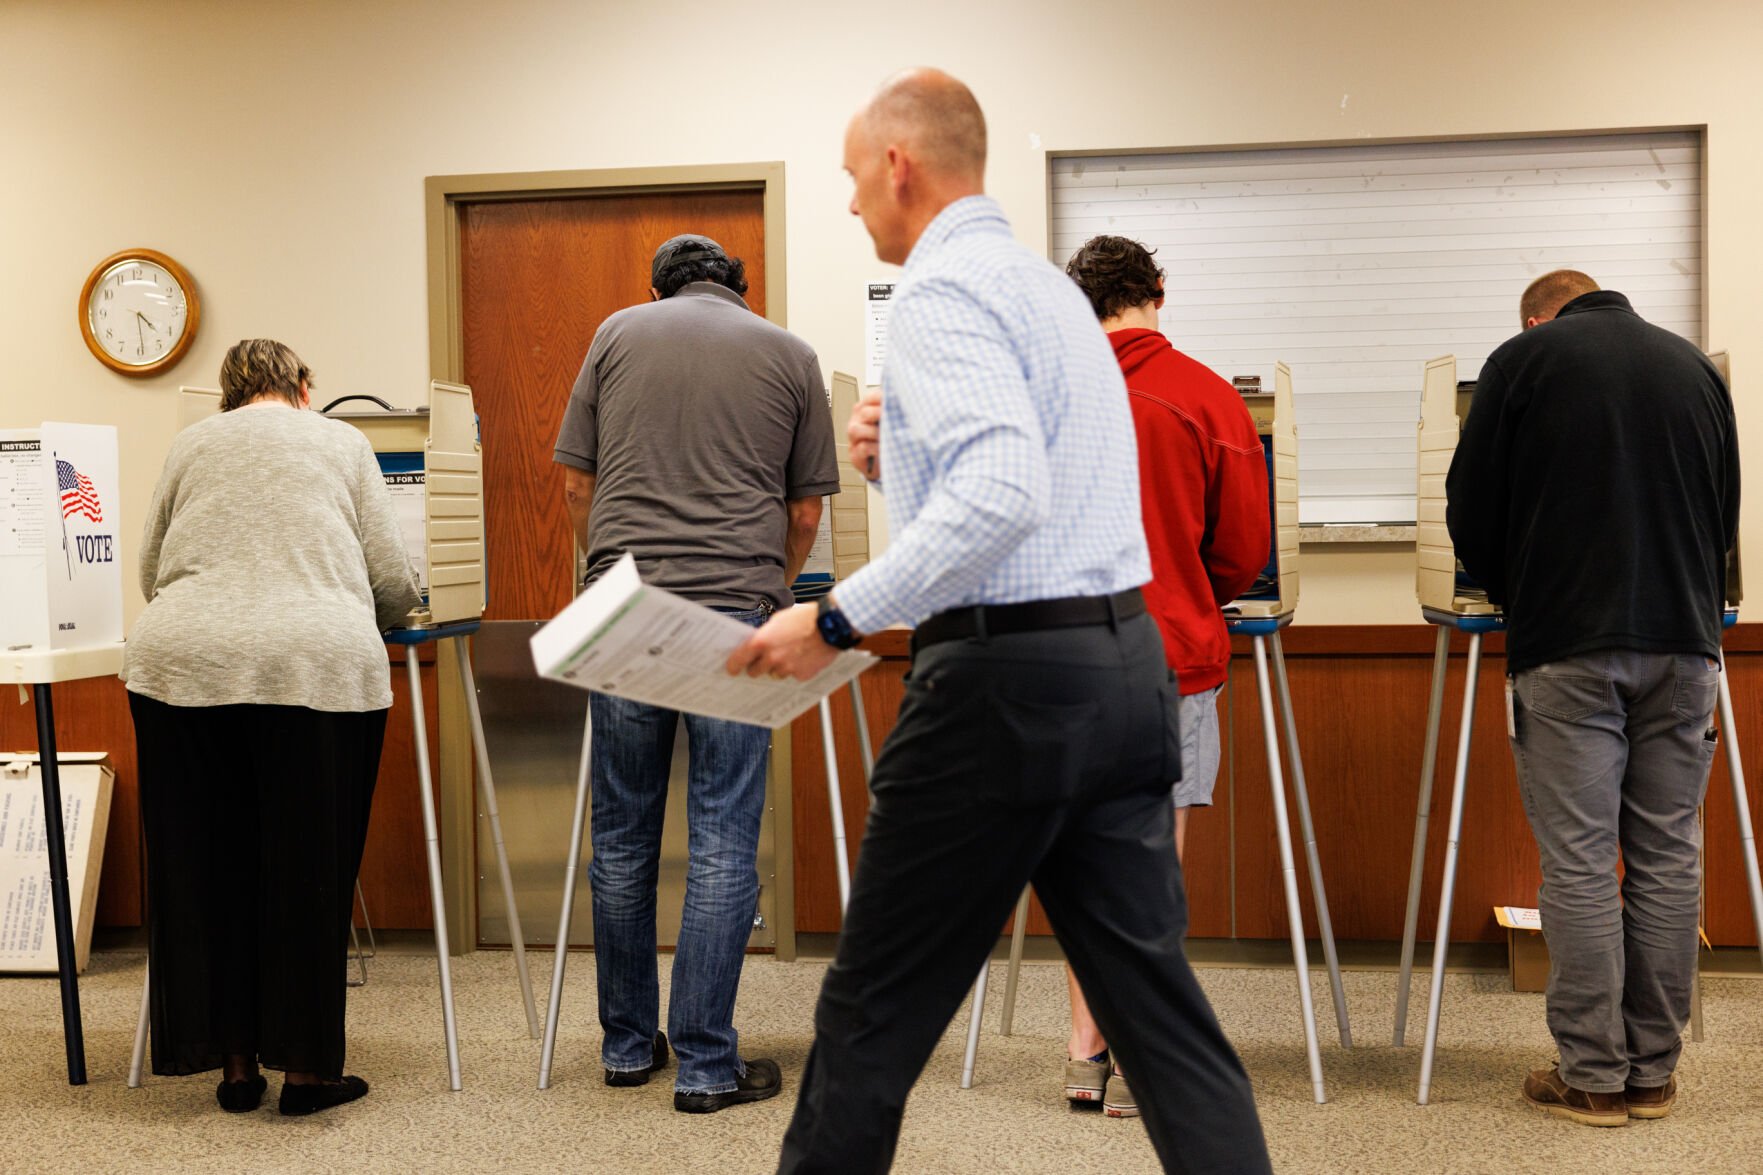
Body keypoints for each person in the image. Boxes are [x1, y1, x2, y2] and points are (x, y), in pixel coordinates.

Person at [729, 69, 1272, 1173]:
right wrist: (905, 462)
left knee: (867, 1016)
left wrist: (831, 618)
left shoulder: (937, 295)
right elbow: (1050, 484)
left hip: (1003, 687)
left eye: (848, 177)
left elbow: (1002, 497)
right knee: (1162, 1023)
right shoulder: (1047, 297)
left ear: (898, 166)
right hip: (1126, 675)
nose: (845, 204)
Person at [552, 234, 839, 1113]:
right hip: (733, 614)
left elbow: (574, 486)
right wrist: (770, 589)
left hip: (629, 612)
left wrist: (604, 577)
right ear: (740, 290)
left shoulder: (615, 332)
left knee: (624, 837)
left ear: (654, 288)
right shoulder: (791, 353)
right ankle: (709, 1064)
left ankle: (629, 1047)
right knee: (722, 839)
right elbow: (802, 510)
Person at [1447, 269, 1739, 1127]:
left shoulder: (1523, 359)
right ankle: (1652, 1074)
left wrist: (1518, 590)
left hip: (1566, 644)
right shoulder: (1694, 369)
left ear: (1539, 316)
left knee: (1577, 861)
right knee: (1667, 856)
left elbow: (1472, 508)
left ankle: (1592, 1076)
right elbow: (1721, 515)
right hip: (1685, 646)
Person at [123, 339, 420, 1116]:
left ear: (228, 395)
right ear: (304, 387)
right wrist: (394, 610)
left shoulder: (192, 442)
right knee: (307, 869)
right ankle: (308, 1075)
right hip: (313, 666)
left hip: (182, 665)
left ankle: (233, 1067)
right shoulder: (342, 439)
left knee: (205, 867)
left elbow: (151, 567)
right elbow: (388, 574)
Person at [1058, 235, 1270, 1118]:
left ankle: (1081, 1052)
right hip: (1168, 663)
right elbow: (1241, 548)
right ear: (1156, 292)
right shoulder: (1206, 395)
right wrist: (1187, 595)